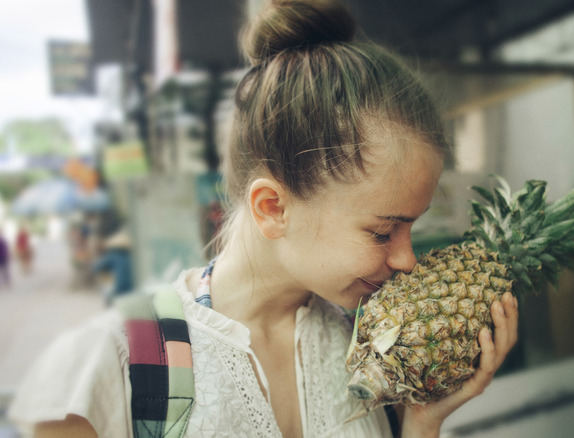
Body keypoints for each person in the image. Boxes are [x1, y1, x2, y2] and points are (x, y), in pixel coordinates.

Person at [9, 1, 519, 436]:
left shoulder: (374, 347)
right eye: (383, 231)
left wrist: (421, 423)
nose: (407, 260)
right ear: (273, 208)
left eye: (412, 227)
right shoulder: (111, 368)